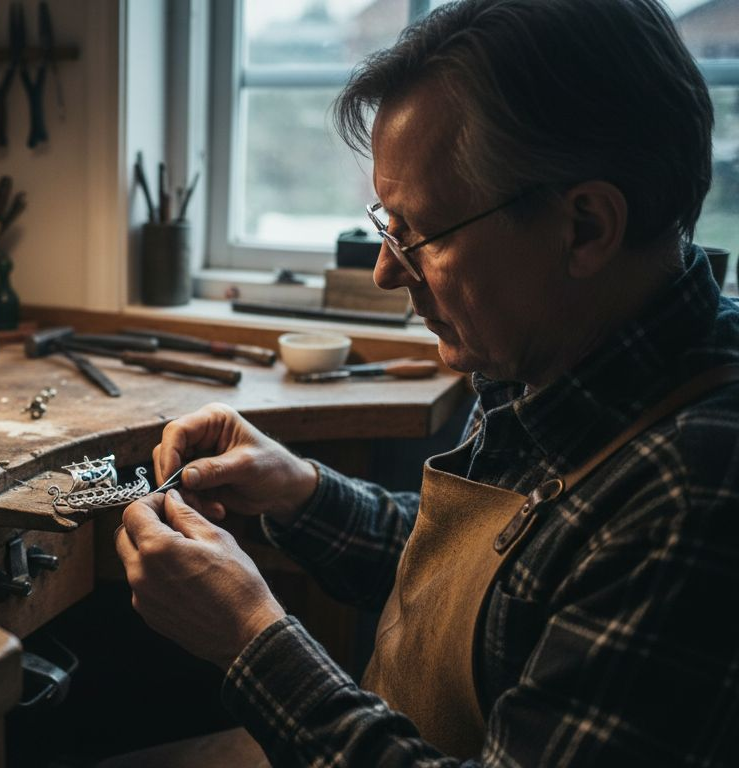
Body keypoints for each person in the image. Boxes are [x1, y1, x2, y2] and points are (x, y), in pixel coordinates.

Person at [115, 0, 739, 764]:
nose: (385, 271)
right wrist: (301, 492)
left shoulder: (694, 493)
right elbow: (501, 585)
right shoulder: (564, 351)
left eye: (419, 234)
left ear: (586, 228)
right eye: (387, 226)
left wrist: (250, 639)